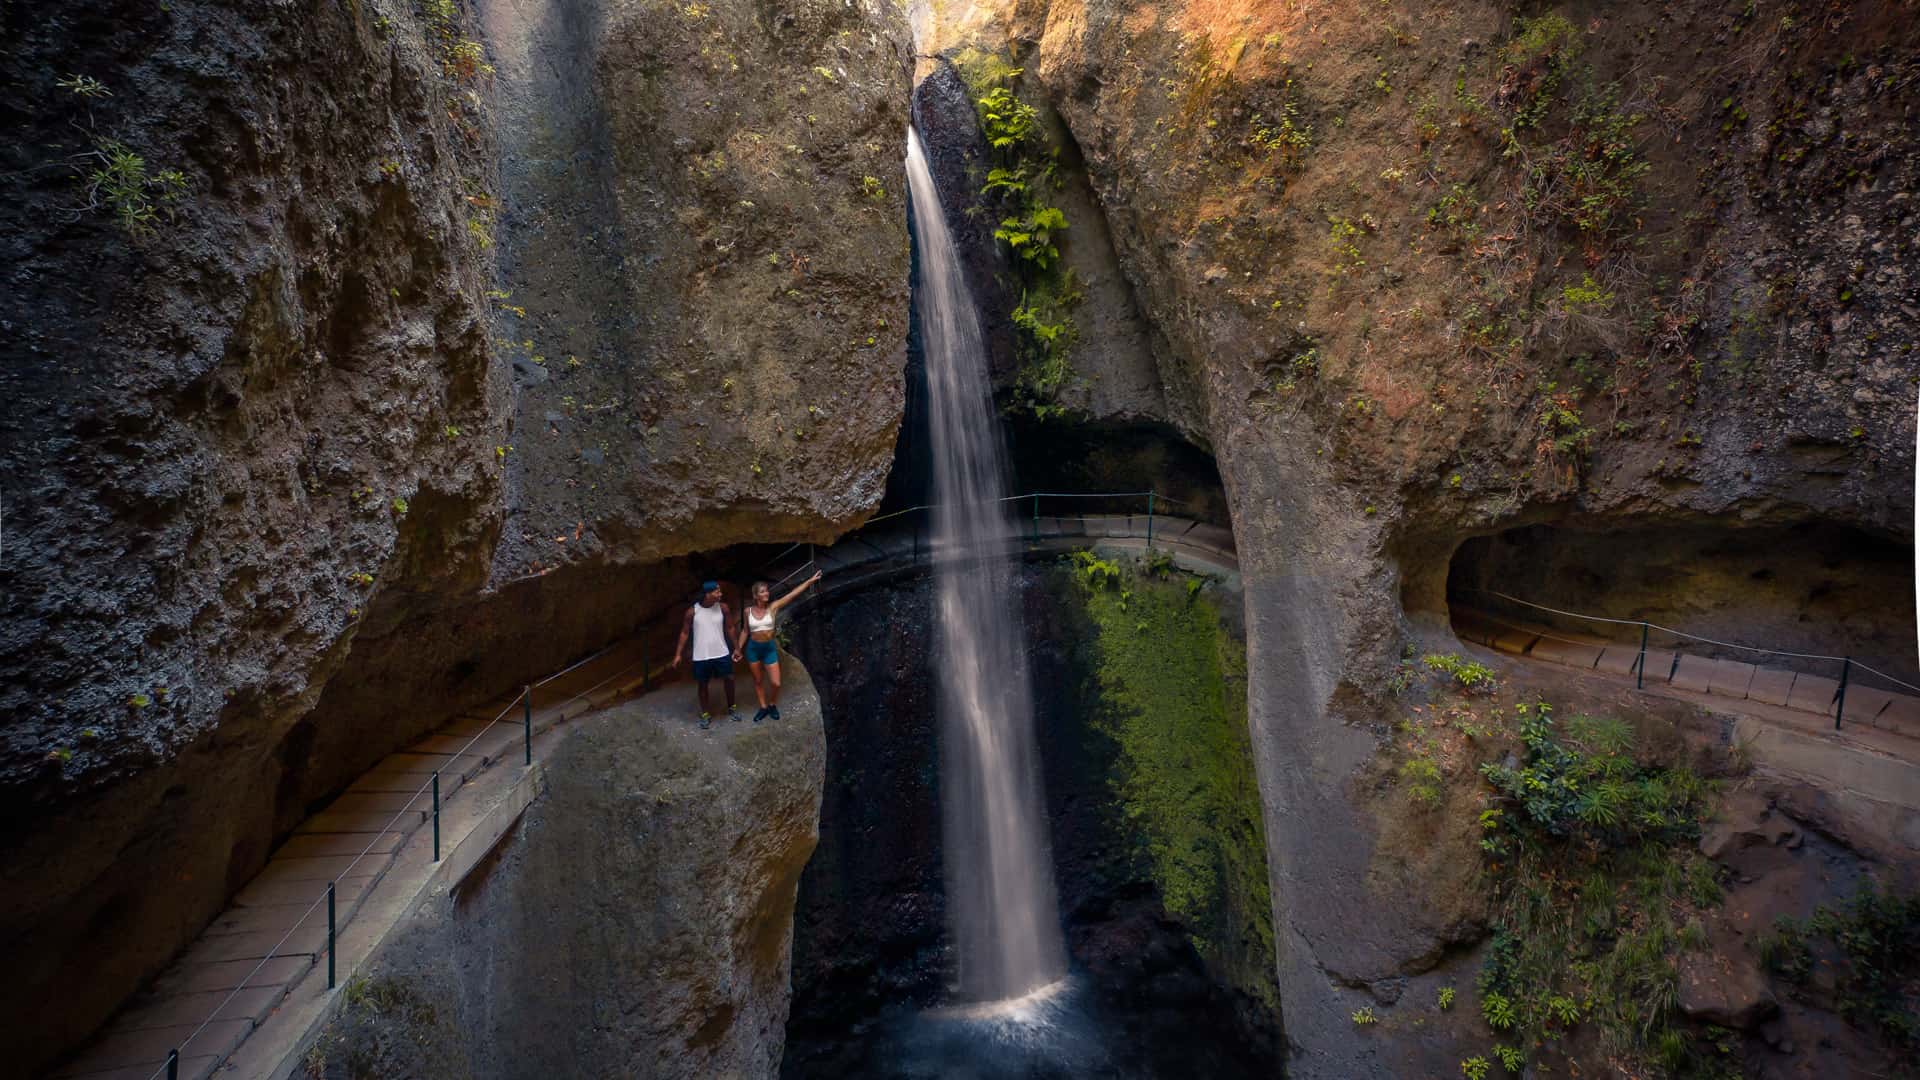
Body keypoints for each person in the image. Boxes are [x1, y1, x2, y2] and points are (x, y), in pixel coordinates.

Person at [736, 570, 822, 722]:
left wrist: (810, 581)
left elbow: (792, 595)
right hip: (753, 649)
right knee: (758, 681)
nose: (767, 593)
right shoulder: (747, 611)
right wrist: (738, 649)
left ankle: (772, 704)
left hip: (769, 648)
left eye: (767, 590)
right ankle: (763, 707)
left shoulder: (773, 607)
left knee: (776, 682)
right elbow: (745, 631)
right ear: (756, 596)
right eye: (763, 592)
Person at [671, 580, 740, 728]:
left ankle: (732, 708)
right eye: (717, 591)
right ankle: (705, 715)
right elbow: (684, 633)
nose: (720, 594)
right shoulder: (692, 612)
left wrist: (737, 648)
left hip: (721, 652)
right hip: (701, 655)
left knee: (729, 678)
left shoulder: (723, 608)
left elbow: (730, 628)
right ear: (708, 594)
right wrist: (678, 654)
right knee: (702, 685)